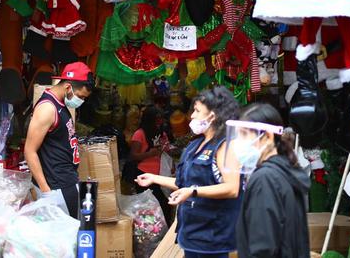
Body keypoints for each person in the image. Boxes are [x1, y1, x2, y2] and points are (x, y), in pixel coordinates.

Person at [136, 86, 242, 258]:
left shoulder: (224, 146)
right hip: (192, 233)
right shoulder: (194, 146)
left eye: (197, 111)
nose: (191, 115)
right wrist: (154, 178)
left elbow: (232, 188)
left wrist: (193, 192)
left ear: (212, 116)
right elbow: (183, 183)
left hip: (214, 236)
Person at [235, 103, 310, 257]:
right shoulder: (283, 171)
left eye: (244, 134)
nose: (238, 142)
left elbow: (262, 247)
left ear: (268, 136)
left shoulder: (265, 179)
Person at [24, 62, 95, 219]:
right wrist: (46, 191)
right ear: (68, 87)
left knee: (70, 235)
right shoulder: (47, 109)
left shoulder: (60, 103)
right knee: (65, 238)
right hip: (56, 187)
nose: (81, 101)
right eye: (81, 96)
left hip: (65, 182)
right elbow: (29, 151)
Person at [130, 106, 172, 225]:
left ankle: (163, 230)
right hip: (143, 174)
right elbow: (133, 155)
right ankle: (150, 232)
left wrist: (167, 149)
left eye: (161, 118)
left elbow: (167, 149)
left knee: (164, 203)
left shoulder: (162, 132)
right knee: (148, 206)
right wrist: (149, 154)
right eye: (157, 118)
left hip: (160, 175)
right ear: (150, 119)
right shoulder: (139, 134)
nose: (161, 121)